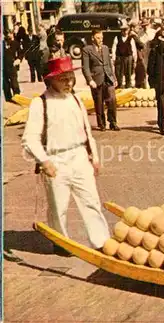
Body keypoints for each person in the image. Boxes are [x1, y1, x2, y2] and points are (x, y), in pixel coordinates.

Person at [21, 56, 111, 256]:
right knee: (58, 206)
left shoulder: (76, 99)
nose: (69, 83)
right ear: (50, 80)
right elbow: (30, 138)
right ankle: (60, 241)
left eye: (70, 77)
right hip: (55, 159)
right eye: (63, 79)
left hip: (79, 156)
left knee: (91, 200)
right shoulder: (40, 104)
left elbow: (86, 130)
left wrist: (94, 156)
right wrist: (44, 161)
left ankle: (101, 240)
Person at [82, 29, 120, 131]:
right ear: (92, 38)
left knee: (112, 99)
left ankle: (113, 122)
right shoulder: (87, 50)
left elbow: (109, 64)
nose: (100, 40)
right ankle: (101, 124)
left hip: (108, 78)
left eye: (101, 38)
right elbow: (85, 67)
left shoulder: (106, 48)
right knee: (99, 102)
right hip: (96, 79)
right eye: (98, 38)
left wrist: (114, 78)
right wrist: (90, 80)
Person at [3, 29, 22, 102]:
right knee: (5, 84)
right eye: (6, 34)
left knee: (14, 82)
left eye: (9, 34)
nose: (8, 35)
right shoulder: (2, 44)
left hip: (12, 65)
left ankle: (17, 96)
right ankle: (8, 99)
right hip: (3, 66)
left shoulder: (15, 43)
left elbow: (21, 52)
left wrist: (19, 59)